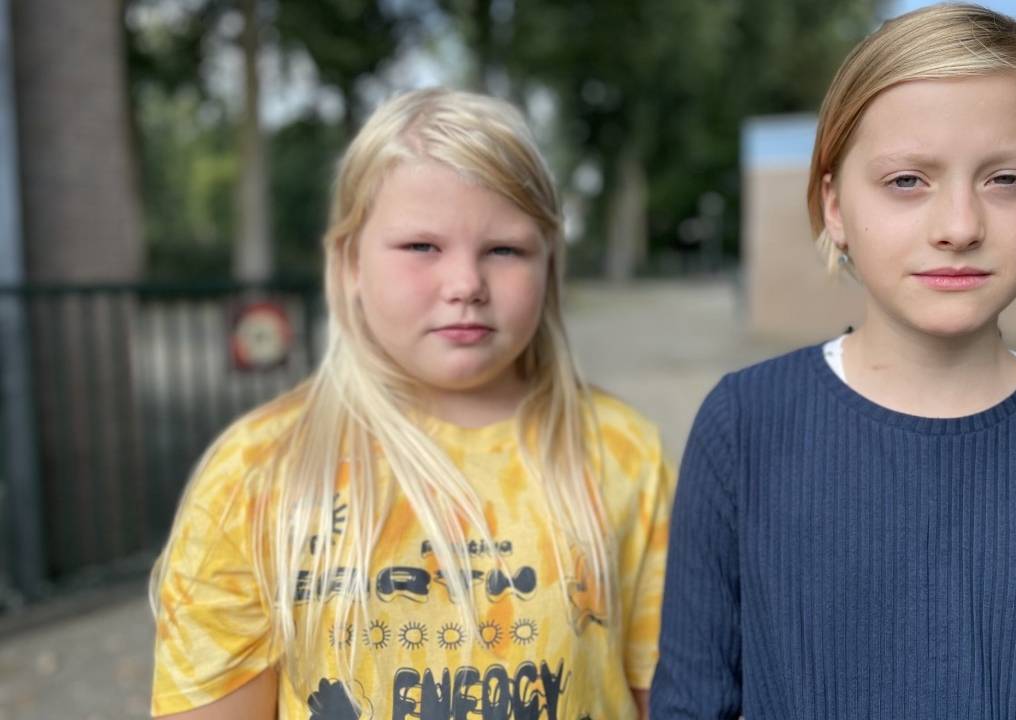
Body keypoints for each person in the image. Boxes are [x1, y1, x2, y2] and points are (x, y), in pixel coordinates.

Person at [650, 4, 1016, 718]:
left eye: (1007, 179)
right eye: (908, 180)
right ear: (835, 206)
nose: (960, 227)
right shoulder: (744, 428)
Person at [150, 88, 671, 720]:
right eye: (422, 247)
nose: (466, 285)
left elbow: (668, 696)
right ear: (350, 263)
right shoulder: (254, 473)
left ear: (549, 263)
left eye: (504, 250)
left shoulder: (624, 453)